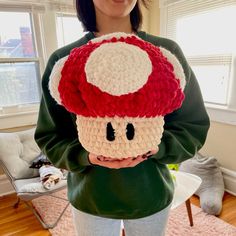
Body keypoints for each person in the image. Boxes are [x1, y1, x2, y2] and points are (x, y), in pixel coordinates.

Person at [34, 0, 210, 235]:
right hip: (91, 199)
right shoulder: (65, 61)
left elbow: (192, 126)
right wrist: (86, 156)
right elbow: (51, 136)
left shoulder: (166, 54)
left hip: (151, 196)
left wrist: (156, 147)